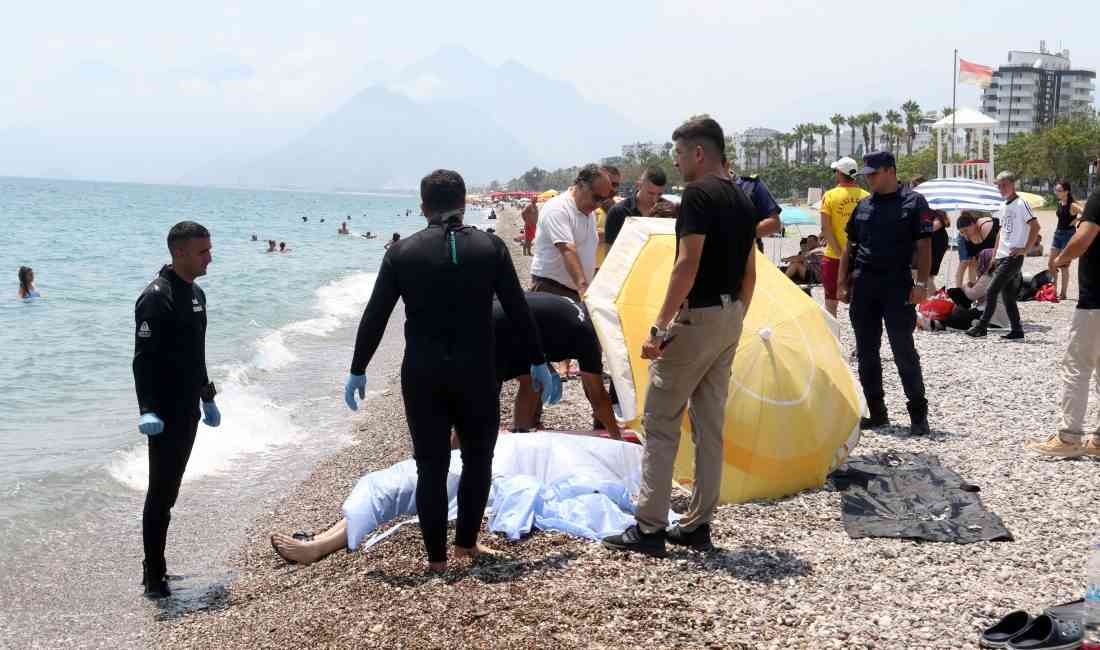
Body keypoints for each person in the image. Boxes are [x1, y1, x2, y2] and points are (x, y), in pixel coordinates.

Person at [342, 169, 559, 573]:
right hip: (477, 371)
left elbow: (375, 316)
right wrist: (537, 359)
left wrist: (358, 368)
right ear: (463, 203)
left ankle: (437, 562)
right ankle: (466, 547)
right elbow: (518, 308)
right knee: (478, 460)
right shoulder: (491, 248)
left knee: (431, 465)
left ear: (423, 206)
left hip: (422, 374)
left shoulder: (401, 253)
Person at [603, 117, 756, 556]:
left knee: (661, 421)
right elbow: (749, 270)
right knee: (710, 425)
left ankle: (649, 527)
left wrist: (659, 326)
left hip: (697, 318)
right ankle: (697, 524)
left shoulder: (698, 196)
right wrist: (739, 315)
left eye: (680, 153)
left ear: (700, 153)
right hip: (729, 315)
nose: (676, 161)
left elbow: (686, 264)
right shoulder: (743, 200)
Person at [132, 221, 221, 598]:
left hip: (189, 407)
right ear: (179, 252)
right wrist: (147, 409)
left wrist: (208, 395)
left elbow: (195, 353)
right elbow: (143, 361)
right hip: (164, 413)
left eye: (209, 250)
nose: (210, 258)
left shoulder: (196, 294)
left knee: (170, 492)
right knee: (161, 493)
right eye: (203, 252)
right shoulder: (156, 297)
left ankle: (158, 568)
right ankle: (154, 575)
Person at [837, 151, 932, 436]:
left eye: (874, 174)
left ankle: (918, 414)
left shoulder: (913, 202)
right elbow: (848, 247)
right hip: (864, 284)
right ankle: (877, 412)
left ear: (890, 171)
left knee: (903, 349)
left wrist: (921, 284)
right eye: (866, 174)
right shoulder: (863, 205)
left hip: (897, 284)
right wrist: (842, 283)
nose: (869, 179)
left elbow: (924, 246)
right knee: (866, 352)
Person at [1029, 186, 1100, 457]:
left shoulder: (1099, 197)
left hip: (1095, 300)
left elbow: (1084, 236)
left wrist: (1060, 259)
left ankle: (1069, 437)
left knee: (1077, 367)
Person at [495, 292, 619, 437]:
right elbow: (597, 396)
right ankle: (470, 447)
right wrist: (616, 436)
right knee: (483, 397)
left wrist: (545, 366)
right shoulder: (588, 335)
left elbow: (542, 328)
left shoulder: (576, 309)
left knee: (532, 381)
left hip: (499, 312)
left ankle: (521, 435)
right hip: (498, 327)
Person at [966, 171, 1039, 340]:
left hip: (1013, 257)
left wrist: (1025, 250)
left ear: (1013, 185)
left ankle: (982, 327)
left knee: (991, 291)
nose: (1001, 188)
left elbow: (1035, 227)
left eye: (1004, 185)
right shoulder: (1004, 205)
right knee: (1008, 297)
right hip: (1001, 256)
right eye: (998, 186)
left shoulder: (1022, 204)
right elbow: (1001, 232)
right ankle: (1017, 331)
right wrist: (993, 256)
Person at [529, 165, 612, 301]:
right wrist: (583, 289)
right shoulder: (558, 208)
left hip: (575, 291)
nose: (598, 204)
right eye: (596, 197)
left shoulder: (587, 210)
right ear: (580, 185)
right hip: (552, 289)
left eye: (603, 200)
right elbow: (568, 249)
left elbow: (586, 240)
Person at [819, 157, 870, 317]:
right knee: (861, 303)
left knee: (831, 305)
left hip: (834, 256)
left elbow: (826, 229)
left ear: (840, 173)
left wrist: (841, 255)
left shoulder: (829, 195)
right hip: (861, 258)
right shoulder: (867, 196)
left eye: (836, 171)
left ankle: (835, 340)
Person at [940, 249, 1009, 330]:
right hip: (1001, 317)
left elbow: (972, 295)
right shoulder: (1001, 275)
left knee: (952, 317)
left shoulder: (988, 276)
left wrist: (965, 286)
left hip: (991, 315)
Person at [604, 166, 668, 248]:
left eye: (659, 194)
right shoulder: (618, 212)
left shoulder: (668, 211)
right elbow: (610, 251)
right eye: (650, 193)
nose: (655, 199)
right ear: (638, 185)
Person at [1050, 179, 1084, 300]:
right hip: (1057, 234)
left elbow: (1085, 213)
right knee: (1051, 263)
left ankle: (1063, 294)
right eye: (1056, 190)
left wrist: (1077, 220)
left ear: (1066, 191)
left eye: (1059, 190)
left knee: (1064, 265)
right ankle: (1052, 290)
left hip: (1068, 235)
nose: (1057, 192)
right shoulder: (1060, 203)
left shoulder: (1072, 205)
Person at [955, 211, 999, 287]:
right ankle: (968, 287)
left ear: (973, 225)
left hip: (1000, 250)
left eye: (966, 230)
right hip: (986, 250)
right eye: (962, 232)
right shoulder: (967, 239)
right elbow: (975, 261)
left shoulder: (988, 226)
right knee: (971, 263)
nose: (965, 234)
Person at [927, 210, 951, 292]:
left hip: (933, 253)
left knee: (927, 279)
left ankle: (934, 298)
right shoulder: (940, 225)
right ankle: (931, 299)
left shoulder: (937, 222)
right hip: (933, 253)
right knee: (928, 279)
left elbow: (932, 227)